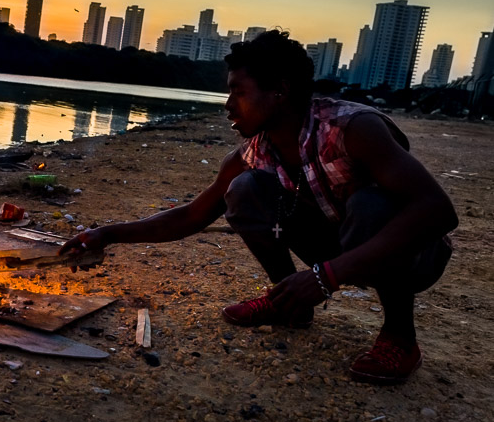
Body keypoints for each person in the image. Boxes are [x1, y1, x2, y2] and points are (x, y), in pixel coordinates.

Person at [60, 29, 456, 384]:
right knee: (245, 188)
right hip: (339, 248)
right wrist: (106, 233)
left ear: (280, 90)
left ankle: (401, 337)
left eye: (238, 91)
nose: (228, 104)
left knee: (371, 204)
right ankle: (290, 303)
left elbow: (437, 211)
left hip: (410, 253)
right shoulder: (256, 149)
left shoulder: (352, 129)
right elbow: (193, 215)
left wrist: (326, 277)